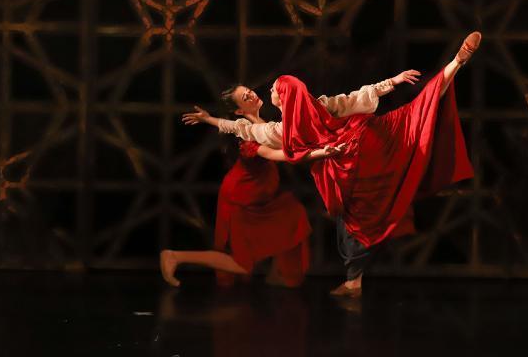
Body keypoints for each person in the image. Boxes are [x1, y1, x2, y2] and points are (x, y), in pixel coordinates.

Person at [183, 32, 481, 297]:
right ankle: (455, 63)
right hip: (368, 137)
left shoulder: (282, 131)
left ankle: (353, 281)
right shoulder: (318, 106)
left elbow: (248, 132)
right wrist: (393, 82)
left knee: (354, 223)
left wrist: (320, 153)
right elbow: (354, 99)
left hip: (350, 164)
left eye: (274, 89)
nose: (266, 91)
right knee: (416, 114)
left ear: (284, 98)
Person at [161, 85, 344, 288]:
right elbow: (281, 155)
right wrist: (321, 152)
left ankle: (277, 275)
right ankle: (175, 256)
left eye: (248, 91)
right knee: (242, 264)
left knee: (293, 215)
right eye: (244, 97)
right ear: (240, 110)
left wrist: (207, 118)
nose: (250, 94)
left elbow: (228, 124)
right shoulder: (247, 139)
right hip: (242, 198)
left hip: (259, 194)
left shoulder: (258, 124)